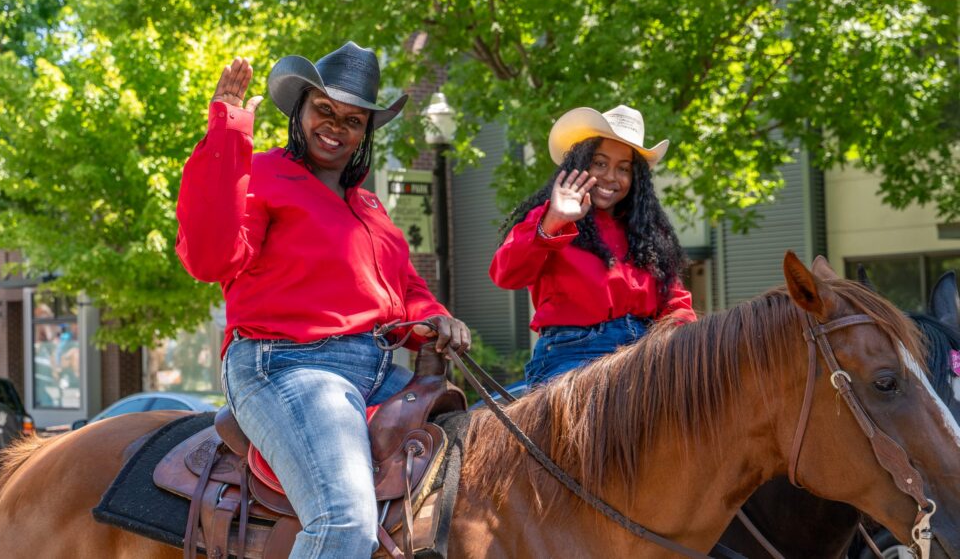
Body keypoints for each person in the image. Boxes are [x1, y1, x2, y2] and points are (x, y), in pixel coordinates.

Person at [175, 42, 471, 558]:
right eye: (324, 110)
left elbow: (406, 291)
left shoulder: (370, 206)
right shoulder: (262, 173)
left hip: (378, 370)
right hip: (286, 367)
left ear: (365, 132)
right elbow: (209, 258)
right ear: (300, 110)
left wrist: (435, 317)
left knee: (480, 474)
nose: (336, 127)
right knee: (345, 522)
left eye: (353, 120)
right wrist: (227, 130)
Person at [490, 104, 696, 387]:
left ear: (636, 178)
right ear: (581, 164)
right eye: (600, 163)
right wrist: (553, 222)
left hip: (645, 353)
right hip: (572, 353)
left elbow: (676, 305)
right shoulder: (549, 218)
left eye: (623, 168)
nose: (610, 176)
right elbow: (506, 274)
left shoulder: (648, 233)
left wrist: (685, 347)